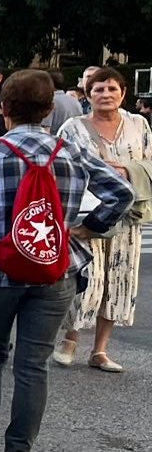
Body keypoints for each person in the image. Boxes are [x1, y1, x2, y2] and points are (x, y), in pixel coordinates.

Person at [0, 70, 133, 452]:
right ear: (49, 110)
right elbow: (122, 193)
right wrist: (87, 227)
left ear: (3, 109)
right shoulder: (70, 152)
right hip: (53, 269)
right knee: (33, 365)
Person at [54, 67, 151, 372]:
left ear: (124, 93)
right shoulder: (72, 127)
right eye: (98, 89)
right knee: (87, 277)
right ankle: (69, 338)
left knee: (119, 279)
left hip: (126, 214)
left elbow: (149, 160)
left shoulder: (139, 124)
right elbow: (59, 163)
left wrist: (125, 170)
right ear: (87, 93)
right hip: (87, 212)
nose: (105, 95)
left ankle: (100, 350)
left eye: (111, 89)